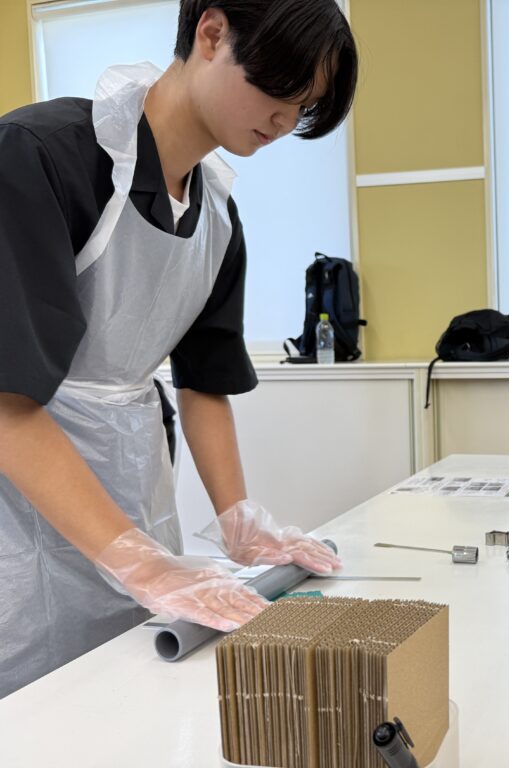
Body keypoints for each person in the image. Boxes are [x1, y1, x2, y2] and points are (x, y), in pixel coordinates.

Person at [0, 0, 355, 698]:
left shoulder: (217, 219)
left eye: (304, 106)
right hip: (20, 499)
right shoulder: (38, 157)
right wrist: (139, 562)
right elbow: (8, 403)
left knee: (131, 687)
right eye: (280, 90)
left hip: (131, 489)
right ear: (212, 34)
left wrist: (239, 520)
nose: (285, 120)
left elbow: (205, 384)